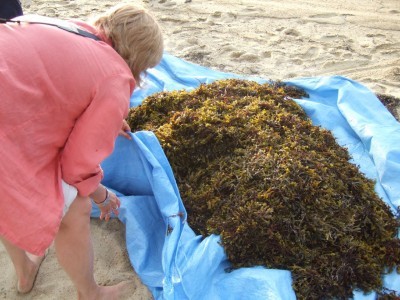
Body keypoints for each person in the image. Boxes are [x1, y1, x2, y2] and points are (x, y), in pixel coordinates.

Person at [0, 3, 163, 299]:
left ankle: (25, 270)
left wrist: (108, 115)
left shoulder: (71, 28)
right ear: (139, 58)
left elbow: (57, 82)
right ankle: (90, 293)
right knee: (76, 209)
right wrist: (101, 195)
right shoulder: (115, 78)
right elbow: (77, 169)